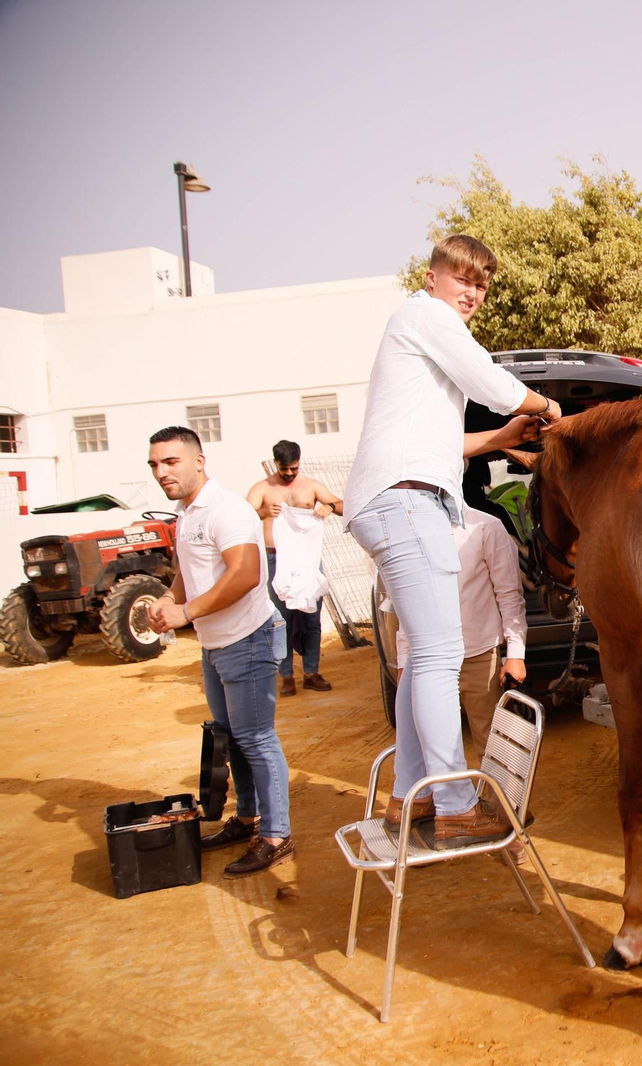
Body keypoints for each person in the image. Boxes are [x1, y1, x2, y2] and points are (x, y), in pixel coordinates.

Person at [344, 234, 560, 849]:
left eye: (481, 285)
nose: (471, 293)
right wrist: (551, 411)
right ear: (433, 275)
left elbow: (442, 441)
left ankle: (407, 799)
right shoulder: (425, 315)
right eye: (462, 277)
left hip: (400, 496)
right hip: (405, 501)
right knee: (440, 655)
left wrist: (497, 439)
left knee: (422, 660)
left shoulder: (417, 335)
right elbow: (491, 382)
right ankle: (458, 807)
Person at [145, 426, 294, 878]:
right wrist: (171, 599)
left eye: (170, 462)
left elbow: (246, 574)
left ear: (199, 460)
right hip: (216, 644)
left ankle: (276, 835)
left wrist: (186, 612)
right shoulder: (185, 511)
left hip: (246, 640)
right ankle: (248, 818)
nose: (161, 472)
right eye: (154, 464)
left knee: (256, 740)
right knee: (232, 739)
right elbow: (189, 569)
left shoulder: (225, 509)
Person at [394, 506, 528, 761]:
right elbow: (407, 604)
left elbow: (510, 595)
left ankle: (498, 802)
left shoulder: (485, 527)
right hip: (425, 662)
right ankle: (449, 802)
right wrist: (404, 661)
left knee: (493, 747)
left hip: (478, 656)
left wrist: (515, 654)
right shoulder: (409, 531)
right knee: (431, 749)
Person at [246, 440, 342, 695]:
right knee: (281, 620)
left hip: (306, 559)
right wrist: (264, 511)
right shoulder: (263, 488)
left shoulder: (310, 486)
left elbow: (341, 504)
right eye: (284, 469)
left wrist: (329, 507)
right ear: (275, 463)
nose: (289, 474)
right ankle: (286, 675)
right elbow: (243, 515)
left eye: (294, 468)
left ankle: (311, 672)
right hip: (275, 558)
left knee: (311, 618)